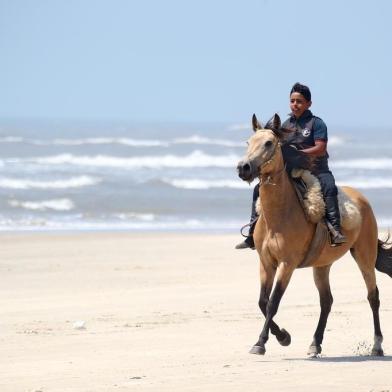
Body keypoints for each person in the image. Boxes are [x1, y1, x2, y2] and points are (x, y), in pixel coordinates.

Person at [235, 82, 347, 249]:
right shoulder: (286, 124)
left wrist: (300, 152)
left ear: (309, 103)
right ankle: (252, 233)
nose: (295, 104)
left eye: (299, 101)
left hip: (317, 169)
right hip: (292, 170)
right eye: (292, 101)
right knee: (258, 189)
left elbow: (321, 147)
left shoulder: (317, 123)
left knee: (330, 188)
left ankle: (335, 231)